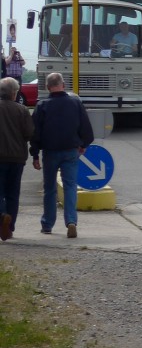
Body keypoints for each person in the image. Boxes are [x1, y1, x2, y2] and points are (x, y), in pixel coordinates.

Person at [31, 71, 95, 239]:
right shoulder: (75, 103)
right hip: (71, 151)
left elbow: (35, 133)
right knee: (70, 186)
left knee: (50, 189)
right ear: (63, 85)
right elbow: (87, 129)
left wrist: (35, 155)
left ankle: (47, 224)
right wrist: (83, 144)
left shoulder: (42, 105)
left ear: (47, 87)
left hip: (50, 152)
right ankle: (71, 221)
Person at [0, 77, 35, 241]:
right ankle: (10, 227)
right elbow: (29, 133)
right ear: (14, 93)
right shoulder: (22, 110)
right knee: (13, 193)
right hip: (17, 158)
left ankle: (2, 216)